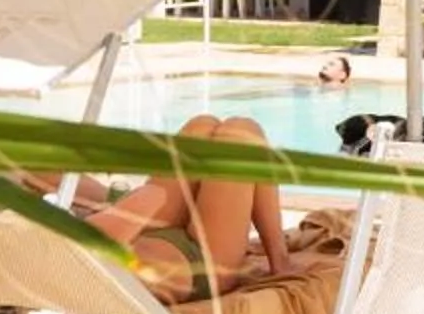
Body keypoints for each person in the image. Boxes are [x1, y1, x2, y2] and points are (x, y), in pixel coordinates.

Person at [84, 114, 294, 299]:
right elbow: (150, 198)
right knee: (241, 132)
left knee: (201, 126)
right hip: (202, 264)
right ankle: (280, 260)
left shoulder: (58, 253)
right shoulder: (76, 252)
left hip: (145, 237)